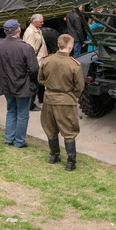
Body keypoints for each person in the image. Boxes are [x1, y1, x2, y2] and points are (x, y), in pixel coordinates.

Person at [0, 19, 39, 149]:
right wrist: (33, 80)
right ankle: (19, 141)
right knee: (22, 114)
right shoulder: (26, 48)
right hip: (22, 85)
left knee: (11, 110)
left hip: (6, 86)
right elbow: (34, 69)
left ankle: (9, 138)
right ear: (18, 30)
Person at [38, 34, 85, 171]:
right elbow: (80, 87)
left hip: (49, 99)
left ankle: (54, 155)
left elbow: (40, 79)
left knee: (50, 128)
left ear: (59, 45)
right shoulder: (74, 65)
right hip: (66, 101)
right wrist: (71, 95)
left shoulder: (47, 60)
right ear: (70, 47)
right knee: (69, 131)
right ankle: (71, 162)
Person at [23, 14, 48, 111]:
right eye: (41, 21)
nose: (43, 23)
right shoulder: (30, 33)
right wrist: (32, 64)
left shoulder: (37, 30)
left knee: (41, 81)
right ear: (35, 22)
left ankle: (42, 98)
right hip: (36, 62)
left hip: (41, 60)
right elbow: (30, 50)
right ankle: (30, 104)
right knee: (35, 83)